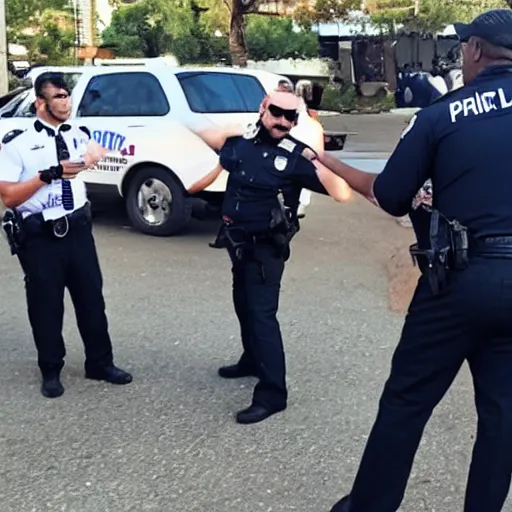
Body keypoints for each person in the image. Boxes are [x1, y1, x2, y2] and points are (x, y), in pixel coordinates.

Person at [316, 9, 512, 512]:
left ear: (472, 51)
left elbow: (392, 195)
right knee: (503, 416)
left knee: (406, 401)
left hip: (462, 281)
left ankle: (370, 507)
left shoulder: (441, 116)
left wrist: (333, 163)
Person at [194, 91, 352, 424]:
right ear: (262, 110)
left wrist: (317, 159)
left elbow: (342, 193)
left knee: (262, 316)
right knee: (243, 304)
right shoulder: (241, 143)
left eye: (290, 117)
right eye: (276, 113)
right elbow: (215, 153)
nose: (282, 121)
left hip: (266, 248)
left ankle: (272, 394)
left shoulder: (295, 156)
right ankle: (252, 360)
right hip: (237, 244)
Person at [0, 72, 132, 399]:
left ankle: (100, 363)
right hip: (41, 236)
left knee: (91, 300)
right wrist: (47, 176)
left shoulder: (76, 131)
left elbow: (97, 149)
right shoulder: (17, 142)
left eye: (67, 96)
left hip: (79, 229)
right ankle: (50, 369)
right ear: (40, 102)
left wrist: (88, 158)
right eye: (58, 97)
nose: (66, 102)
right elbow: (9, 196)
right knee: (46, 307)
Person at [274, 79, 325, 218]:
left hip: (300, 138)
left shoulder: (296, 104)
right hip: (291, 139)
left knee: (303, 170)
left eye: (282, 90)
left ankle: (300, 204)